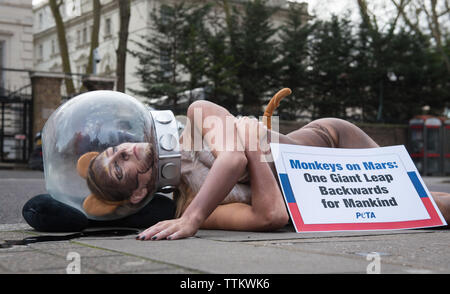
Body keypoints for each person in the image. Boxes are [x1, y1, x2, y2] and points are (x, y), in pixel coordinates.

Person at [81, 92, 450, 241]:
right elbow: (272, 214)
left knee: (417, 197)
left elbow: (232, 158)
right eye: (118, 166)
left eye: (116, 148)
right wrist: (255, 143)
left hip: (332, 139)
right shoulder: (193, 206)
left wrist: (193, 218)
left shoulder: (197, 115)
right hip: (330, 194)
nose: (124, 150)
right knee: (432, 207)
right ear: (139, 191)